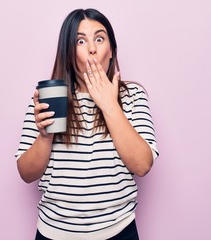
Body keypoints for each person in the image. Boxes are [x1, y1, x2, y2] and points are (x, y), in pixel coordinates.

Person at [15, 8, 159, 240]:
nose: (92, 48)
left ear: (111, 50)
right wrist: (44, 136)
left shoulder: (133, 96)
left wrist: (109, 104)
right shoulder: (49, 96)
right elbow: (26, 173)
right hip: (54, 233)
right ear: (69, 53)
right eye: (80, 41)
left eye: (99, 39)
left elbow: (142, 165)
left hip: (119, 231)